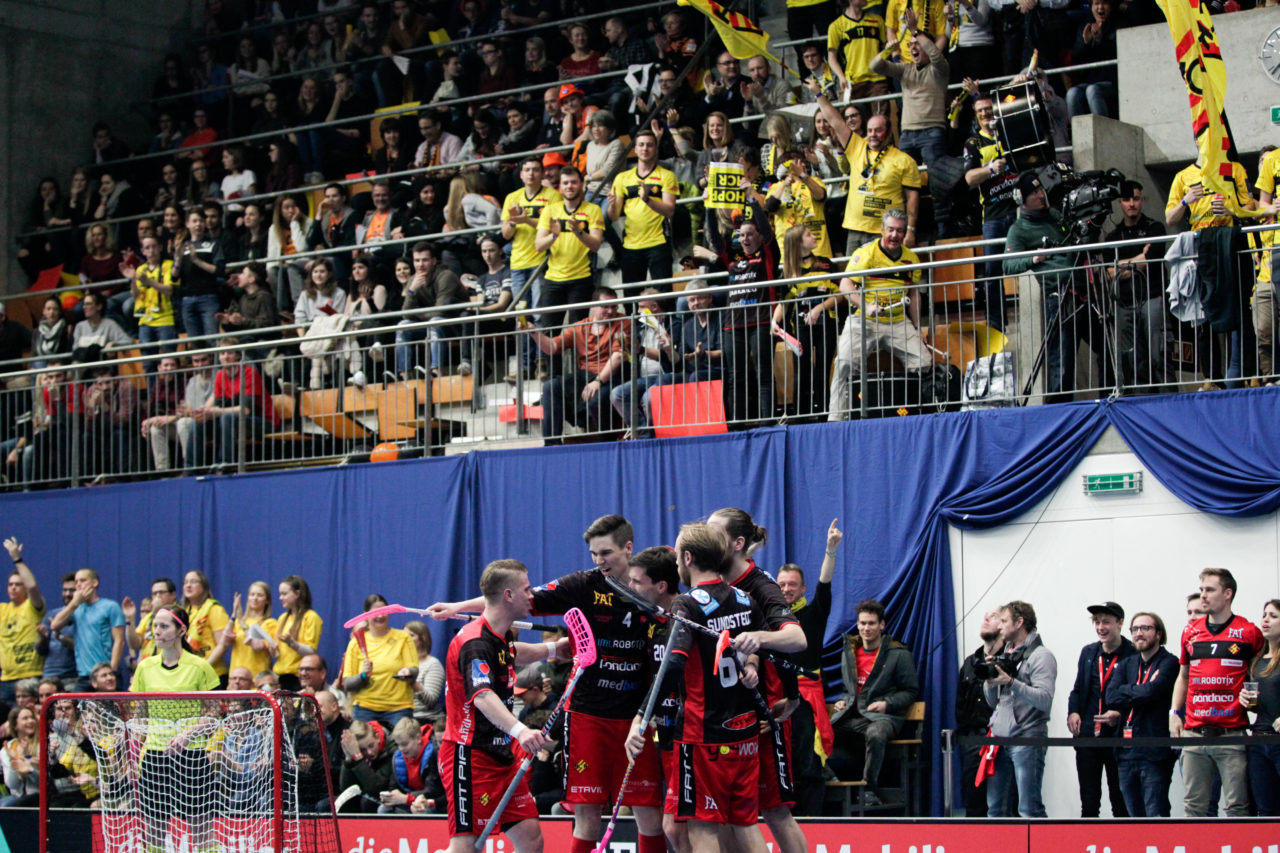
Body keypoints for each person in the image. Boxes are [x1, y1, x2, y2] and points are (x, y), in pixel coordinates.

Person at [430, 515, 667, 853]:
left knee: (650, 815)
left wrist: (553, 649)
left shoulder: (648, 584)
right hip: (586, 715)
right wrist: (457, 606)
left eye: (606, 553)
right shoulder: (582, 584)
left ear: (628, 548)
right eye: (593, 554)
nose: (598, 561)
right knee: (587, 817)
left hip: (634, 718)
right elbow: (513, 599)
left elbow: (514, 601)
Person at [626, 522, 769, 853]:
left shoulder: (687, 604)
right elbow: (757, 646)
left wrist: (641, 716)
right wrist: (750, 666)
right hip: (744, 732)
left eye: (678, 555)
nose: (677, 562)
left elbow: (673, 665)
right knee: (746, 825)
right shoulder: (744, 598)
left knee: (702, 829)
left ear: (688, 558)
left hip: (703, 735)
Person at [439, 559, 567, 852]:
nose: (532, 596)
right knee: (466, 846)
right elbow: (483, 696)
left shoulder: (499, 634)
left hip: (500, 755)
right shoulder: (475, 643)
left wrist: (553, 648)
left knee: (531, 837)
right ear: (508, 595)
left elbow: (511, 653)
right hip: (470, 756)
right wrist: (521, 731)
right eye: (526, 589)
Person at [707, 508, 807, 853]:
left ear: (737, 543)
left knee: (775, 810)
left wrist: (760, 637)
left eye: (715, 533)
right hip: (722, 717)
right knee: (726, 813)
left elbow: (797, 640)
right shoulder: (709, 583)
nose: (707, 539)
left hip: (763, 714)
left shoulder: (761, 586)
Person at [1168, 567, 1264, 817]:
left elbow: (1264, 673)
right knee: (1194, 807)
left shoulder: (1248, 632)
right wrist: (1174, 713)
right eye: (1201, 589)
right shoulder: (1190, 631)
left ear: (1228, 593)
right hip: (1193, 733)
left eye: (1210, 590)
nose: (1203, 595)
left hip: (1231, 734)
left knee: (1237, 807)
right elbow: (1183, 676)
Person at [129, 604, 222, 849]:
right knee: (154, 831)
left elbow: (213, 713)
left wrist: (187, 735)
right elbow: (140, 716)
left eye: (163, 626)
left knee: (202, 829)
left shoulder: (200, 667)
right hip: (155, 756)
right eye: (155, 626)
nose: (157, 632)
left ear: (181, 631)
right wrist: (133, 754)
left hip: (192, 755)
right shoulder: (145, 667)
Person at [828, 209, 928, 420]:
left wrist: (917, 327)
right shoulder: (866, 254)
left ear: (905, 233)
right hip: (864, 320)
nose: (894, 235)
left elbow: (913, 294)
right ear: (882, 229)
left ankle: (919, 415)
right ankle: (836, 420)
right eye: (890, 229)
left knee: (924, 362)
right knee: (843, 363)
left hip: (898, 322)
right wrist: (866, 306)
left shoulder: (912, 259)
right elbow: (845, 285)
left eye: (899, 231)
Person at [776, 520, 841, 816]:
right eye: (782, 585)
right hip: (777, 699)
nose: (787, 589)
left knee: (808, 766)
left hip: (806, 700)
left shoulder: (814, 613)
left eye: (792, 584)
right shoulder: (768, 618)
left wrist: (830, 549)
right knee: (780, 765)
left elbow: (824, 583)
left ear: (802, 588)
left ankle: (811, 825)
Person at [809, 81, 921, 252]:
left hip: (885, 232)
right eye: (869, 131)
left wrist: (910, 230)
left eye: (878, 130)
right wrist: (818, 94)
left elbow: (912, 198)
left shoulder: (904, 160)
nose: (872, 135)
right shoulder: (857, 146)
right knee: (852, 270)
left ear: (888, 132)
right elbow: (835, 120)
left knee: (883, 270)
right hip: (855, 229)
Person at [830, 600, 920, 805]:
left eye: (871, 623)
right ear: (857, 625)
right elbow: (849, 689)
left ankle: (868, 790)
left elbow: (910, 691)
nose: (866, 628)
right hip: (854, 716)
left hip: (882, 718)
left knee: (876, 733)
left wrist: (887, 704)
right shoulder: (849, 652)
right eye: (862, 623)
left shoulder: (899, 655)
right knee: (819, 732)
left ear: (882, 625)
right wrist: (844, 701)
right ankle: (830, 780)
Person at [870, 9, 951, 236]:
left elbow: (935, 54)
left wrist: (915, 31)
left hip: (932, 132)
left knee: (938, 181)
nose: (913, 47)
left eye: (917, 44)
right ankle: (904, 229)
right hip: (907, 134)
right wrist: (889, 48)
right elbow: (875, 66)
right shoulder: (905, 70)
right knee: (902, 183)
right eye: (910, 45)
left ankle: (943, 229)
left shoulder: (939, 69)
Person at [1003, 171, 1080, 403]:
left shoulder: (1055, 215)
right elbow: (1008, 265)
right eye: (1034, 193)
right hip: (1058, 296)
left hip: (1082, 290)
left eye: (1041, 190)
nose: (1040, 195)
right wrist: (1033, 259)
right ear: (1022, 200)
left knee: (1104, 348)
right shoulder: (1019, 229)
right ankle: (1060, 409)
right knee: (1061, 358)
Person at [982, 600, 1057, 818]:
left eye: (1004, 621)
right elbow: (992, 702)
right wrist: (989, 680)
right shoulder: (1007, 654)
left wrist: (1012, 682)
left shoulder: (1041, 656)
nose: (999, 626)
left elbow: (1045, 700)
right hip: (1000, 738)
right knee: (995, 810)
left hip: (1027, 738)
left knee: (1029, 809)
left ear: (1019, 622)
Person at [524, 287, 626, 441]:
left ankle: (606, 442)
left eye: (614, 307)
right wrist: (534, 333)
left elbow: (618, 356)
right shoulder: (581, 326)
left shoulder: (624, 322)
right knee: (551, 387)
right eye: (605, 306)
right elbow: (552, 347)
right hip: (584, 377)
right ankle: (552, 444)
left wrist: (598, 381)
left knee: (599, 397)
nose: (611, 311)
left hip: (611, 376)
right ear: (593, 306)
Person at [1104, 611, 1179, 817]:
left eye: (1145, 628)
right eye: (1135, 629)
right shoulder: (1127, 663)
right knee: (1133, 818)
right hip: (1126, 752)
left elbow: (1152, 692)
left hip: (1154, 752)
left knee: (1155, 814)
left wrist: (1128, 691)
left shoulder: (1169, 662)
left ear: (1158, 633)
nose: (1139, 633)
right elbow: (1110, 696)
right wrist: (1141, 689)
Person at [1066, 602, 1135, 817]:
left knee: (1120, 800)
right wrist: (1073, 712)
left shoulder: (1132, 654)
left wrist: (1120, 714)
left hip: (1117, 737)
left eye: (1106, 622)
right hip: (1088, 735)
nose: (1100, 627)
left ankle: (1122, 839)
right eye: (1097, 622)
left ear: (1120, 623)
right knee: (1089, 800)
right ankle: (1088, 838)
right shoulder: (1088, 652)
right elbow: (1078, 689)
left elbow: (1137, 695)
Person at [1103, 181, 1170, 391]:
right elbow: (1109, 272)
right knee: (1132, 360)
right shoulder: (1113, 236)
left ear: (1142, 200)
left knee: (1158, 355)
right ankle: (1140, 401)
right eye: (1127, 199)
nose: (1132, 204)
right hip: (1125, 303)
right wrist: (1139, 260)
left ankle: (1168, 398)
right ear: (1119, 202)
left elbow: (1151, 260)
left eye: (1136, 199)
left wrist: (1122, 266)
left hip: (1152, 296)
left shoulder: (1155, 228)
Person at [962, 90, 1018, 332]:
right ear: (976, 115)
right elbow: (969, 178)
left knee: (1033, 261)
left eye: (989, 108)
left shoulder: (1010, 133)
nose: (986, 113)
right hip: (993, 216)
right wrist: (992, 169)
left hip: (1021, 212)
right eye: (981, 110)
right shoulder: (973, 143)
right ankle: (997, 326)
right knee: (992, 272)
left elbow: (1012, 96)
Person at [535, 166, 605, 329]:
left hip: (581, 279)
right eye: (565, 183)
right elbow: (538, 246)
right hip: (553, 280)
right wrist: (554, 235)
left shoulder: (593, 210)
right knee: (549, 331)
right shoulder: (550, 210)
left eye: (573, 182)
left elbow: (596, 245)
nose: (569, 186)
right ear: (560, 186)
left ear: (581, 184)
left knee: (578, 332)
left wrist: (578, 231)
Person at [189, 341, 279, 466]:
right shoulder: (220, 376)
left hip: (263, 421)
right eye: (222, 353)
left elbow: (246, 410)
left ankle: (224, 463)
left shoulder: (249, 373)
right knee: (198, 423)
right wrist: (206, 413)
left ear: (238, 356)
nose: (225, 357)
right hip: (234, 420)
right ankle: (190, 468)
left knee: (227, 418)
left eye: (230, 353)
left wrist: (217, 411)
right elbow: (219, 406)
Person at [608, 130, 678, 288]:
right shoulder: (622, 178)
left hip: (658, 243)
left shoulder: (667, 176)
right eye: (641, 145)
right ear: (635, 149)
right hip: (630, 246)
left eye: (649, 145)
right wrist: (612, 205)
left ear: (656, 148)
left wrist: (647, 199)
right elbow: (613, 216)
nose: (645, 148)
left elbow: (669, 211)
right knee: (631, 297)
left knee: (664, 295)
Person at [343, 593, 418, 728]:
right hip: (365, 708)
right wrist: (363, 675)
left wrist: (407, 672)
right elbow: (347, 684)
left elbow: (414, 670)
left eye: (384, 611)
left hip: (399, 707)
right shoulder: (355, 643)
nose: (380, 616)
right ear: (366, 615)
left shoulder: (403, 637)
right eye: (375, 612)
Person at [956, 608, 1004, 816]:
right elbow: (960, 703)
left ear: (1004, 625)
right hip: (972, 740)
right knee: (973, 802)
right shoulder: (970, 662)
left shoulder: (1008, 661)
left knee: (1002, 804)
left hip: (1000, 740)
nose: (986, 618)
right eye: (985, 615)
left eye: (993, 616)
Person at [50, 568, 125, 693]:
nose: (78, 585)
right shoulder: (76, 608)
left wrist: (112, 671)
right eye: (76, 582)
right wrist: (74, 603)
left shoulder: (110, 607)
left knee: (111, 705)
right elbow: (55, 625)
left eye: (83, 580)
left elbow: (119, 640)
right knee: (75, 704)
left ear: (94, 583)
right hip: (85, 675)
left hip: (106, 672)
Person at [0, 537, 47, 706]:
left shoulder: (32, 606)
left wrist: (17, 559)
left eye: (18, 584)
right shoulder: (2, 610)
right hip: (6, 679)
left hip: (30, 675)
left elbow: (33, 586)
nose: (13, 587)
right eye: (10, 584)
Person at [1244, 599, 1280, 815]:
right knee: (1265, 809)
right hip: (1258, 738)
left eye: (1273, 616)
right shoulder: (1256, 660)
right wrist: (1246, 700)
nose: (1266, 620)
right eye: (1264, 615)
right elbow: (1257, 703)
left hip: (1278, 739)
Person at [212, 581, 278, 684]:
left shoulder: (270, 623)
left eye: (260, 595)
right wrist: (234, 615)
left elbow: (257, 645)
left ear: (267, 601)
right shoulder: (238, 622)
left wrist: (242, 622)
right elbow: (223, 642)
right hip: (236, 678)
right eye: (252, 595)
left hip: (256, 679)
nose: (255, 598)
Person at [377, 716, 444, 813]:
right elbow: (393, 786)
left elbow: (433, 790)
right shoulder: (398, 757)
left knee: (423, 811)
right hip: (409, 802)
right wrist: (391, 797)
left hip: (429, 802)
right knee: (383, 810)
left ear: (418, 738)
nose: (401, 749)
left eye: (404, 744)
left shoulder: (433, 753)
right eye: (398, 744)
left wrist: (406, 798)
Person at [179, 569, 231, 684]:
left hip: (213, 673)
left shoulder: (215, 609)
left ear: (203, 586)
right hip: (189, 674)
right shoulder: (183, 612)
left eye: (193, 581)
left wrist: (204, 667)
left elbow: (222, 645)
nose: (188, 585)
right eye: (186, 582)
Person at [273, 575, 323, 692]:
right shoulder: (282, 618)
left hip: (298, 678)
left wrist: (292, 643)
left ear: (297, 594)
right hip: (281, 676)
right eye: (280, 594)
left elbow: (311, 652)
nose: (280, 598)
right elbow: (280, 653)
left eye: (284, 594)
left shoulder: (311, 617)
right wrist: (274, 652)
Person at [124, 577, 177, 661]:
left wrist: (157, 612)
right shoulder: (148, 617)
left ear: (173, 595)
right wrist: (130, 619)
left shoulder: (180, 614)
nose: (158, 596)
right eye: (154, 593)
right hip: (148, 665)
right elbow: (134, 644)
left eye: (161, 592)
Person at [404, 621, 445, 726]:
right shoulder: (399, 663)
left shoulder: (432, 664)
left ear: (423, 638)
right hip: (402, 717)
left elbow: (431, 701)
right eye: (404, 635)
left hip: (426, 719)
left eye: (411, 635)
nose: (406, 639)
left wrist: (413, 683)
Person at [40, 574, 78, 682]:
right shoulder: (51, 615)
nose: (67, 594)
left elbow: (81, 648)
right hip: (49, 675)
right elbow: (41, 651)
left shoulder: (83, 616)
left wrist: (60, 636)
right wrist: (42, 638)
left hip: (72, 676)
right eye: (65, 590)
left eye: (72, 590)